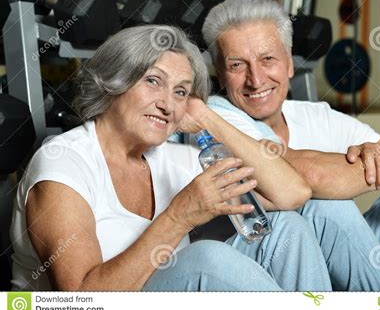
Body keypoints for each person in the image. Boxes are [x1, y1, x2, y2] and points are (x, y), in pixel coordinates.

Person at [9, 25, 334, 291]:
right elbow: (82, 302)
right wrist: (180, 215)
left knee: (284, 227)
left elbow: (292, 193)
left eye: (180, 92)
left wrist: (207, 117)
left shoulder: (171, 158)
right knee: (206, 259)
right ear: (113, 81)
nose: (168, 104)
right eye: (153, 81)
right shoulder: (63, 163)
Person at [202, 0, 380, 291]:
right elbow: (313, 177)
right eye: (237, 65)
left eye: (268, 59)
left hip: (328, 262)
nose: (256, 79)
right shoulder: (217, 116)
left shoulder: (315, 115)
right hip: (263, 269)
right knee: (327, 207)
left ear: (289, 64)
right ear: (221, 74)